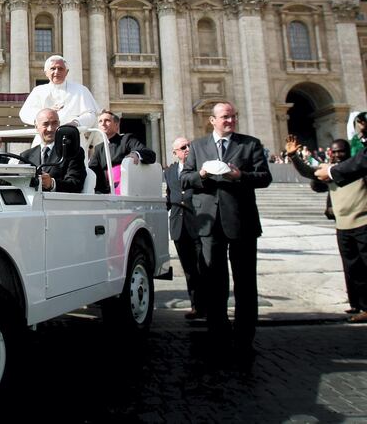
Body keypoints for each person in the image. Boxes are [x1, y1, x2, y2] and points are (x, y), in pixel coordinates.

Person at [180, 102, 272, 349]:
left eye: (233, 117)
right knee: (213, 278)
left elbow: (265, 178)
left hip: (241, 220)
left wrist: (240, 176)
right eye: (225, 117)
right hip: (209, 220)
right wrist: (200, 175)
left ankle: (244, 332)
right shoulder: (198, 146)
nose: (230, 121)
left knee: (244, 279)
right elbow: (184, 178)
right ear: (212, 120)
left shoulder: (250, 144)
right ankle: (217, 328)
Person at [287, 135, 367, 321]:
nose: (338, 155)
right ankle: (357, 304)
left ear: (349, 152)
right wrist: (293, 156)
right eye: (335, 151)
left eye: (342, 151)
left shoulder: (357, 169)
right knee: (351, 267)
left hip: (363, 223)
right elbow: (310, 173)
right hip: (342, 225)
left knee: (364, 267)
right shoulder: (333, 171)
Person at [165, 136, 205, 320]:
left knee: (204, 267)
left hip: (198, 224)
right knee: (189, 269)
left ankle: (212, 307)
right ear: (175, 152)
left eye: (189, 145)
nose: (187, 149)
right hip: (178, 225)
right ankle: (196, 306)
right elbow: (169, 195)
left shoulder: (201, 169)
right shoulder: (170, 171)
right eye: (183, 147)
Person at [19, 55, 99, 144]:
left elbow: (91, 115)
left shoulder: (81, 90)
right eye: (53, 68)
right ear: (46, 72)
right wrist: (45, 114)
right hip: (44, 138)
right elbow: (25, 114)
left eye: (60, 68)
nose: (56, 71)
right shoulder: (38, 90)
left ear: (67, 72)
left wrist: (75, 123)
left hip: (72, 138)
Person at [88, 110, 156, 194]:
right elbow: (92, 169)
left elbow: (150, 154)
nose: (103, 123)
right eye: (100, 121)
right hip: (106, 192)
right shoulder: (99, 148)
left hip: (127, 190)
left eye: (107, 120)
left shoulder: (127, 139)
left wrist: (136, 154)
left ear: (116, 125)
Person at [20, 109, 87, 193]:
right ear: (36, 127)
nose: (50, 129)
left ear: (59, 125)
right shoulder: (26, 156)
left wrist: (52, 183)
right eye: (45, 124)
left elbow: (76, 184)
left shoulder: (72, 152)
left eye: (54, 123)